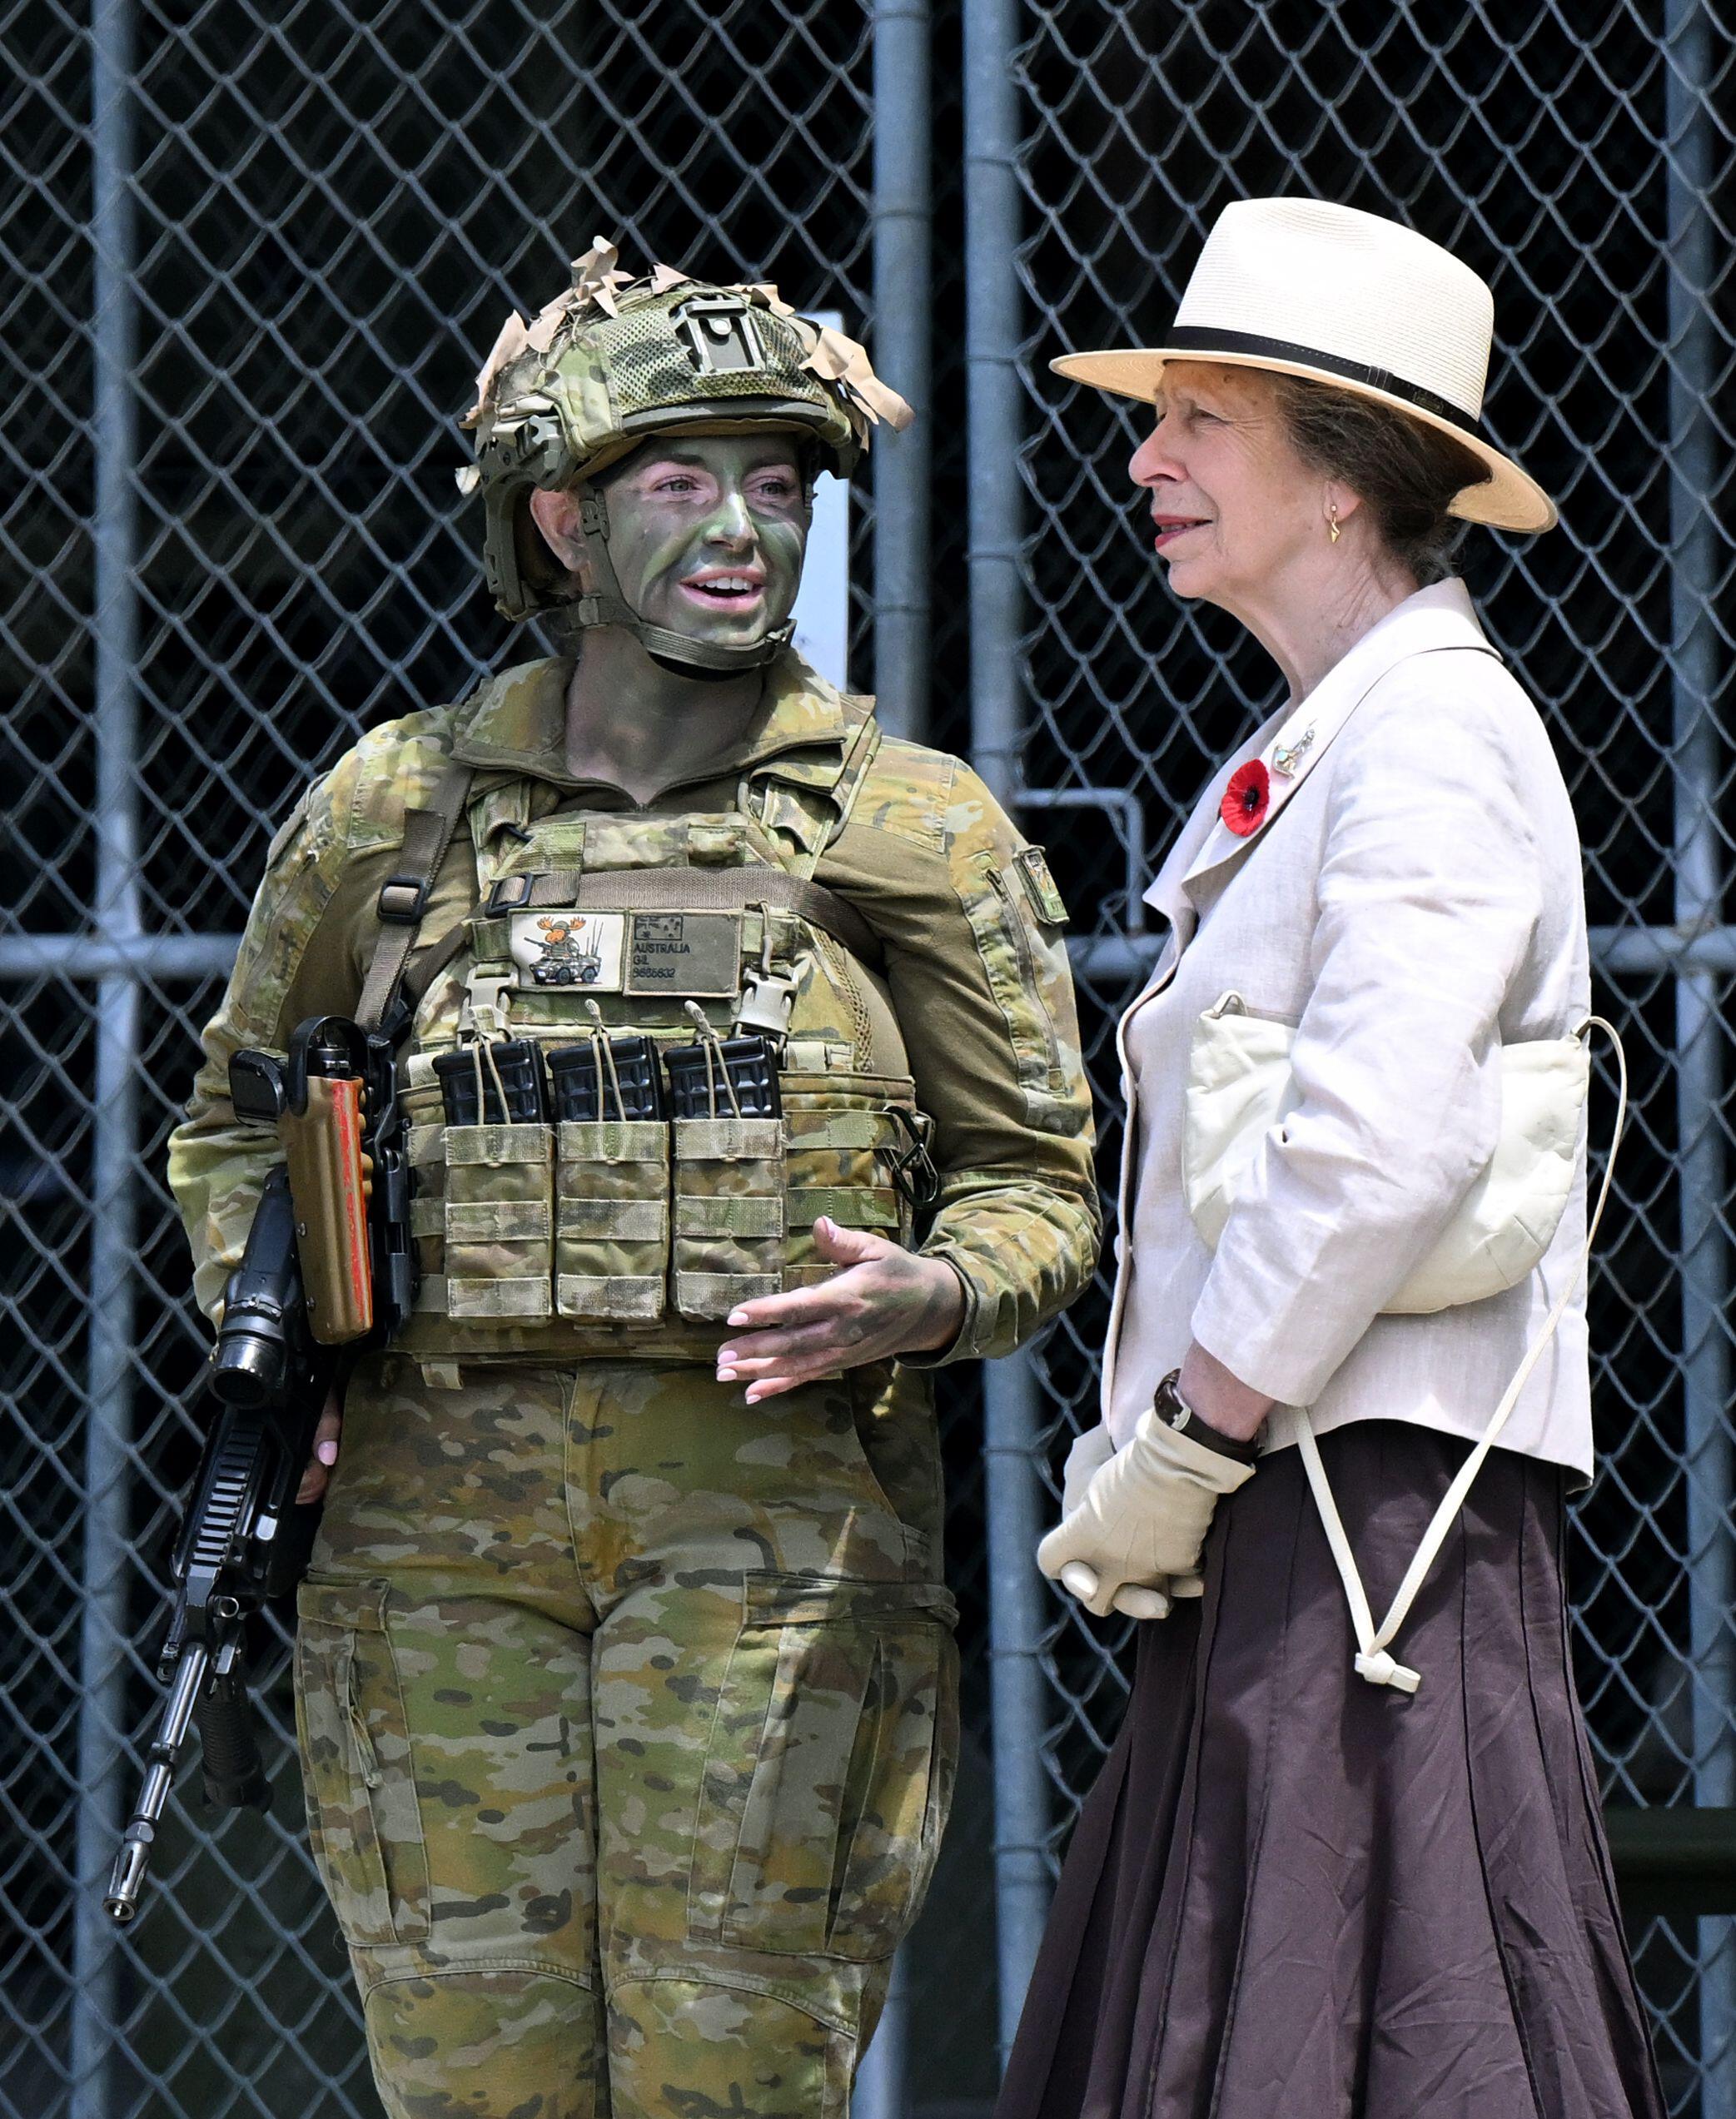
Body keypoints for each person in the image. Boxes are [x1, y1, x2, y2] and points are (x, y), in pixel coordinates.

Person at [168, 243, 1100, 2119]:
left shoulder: (904, 824)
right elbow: (230, 1124)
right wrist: (275, 1335)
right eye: (680, 483)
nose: (742, 529)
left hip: (768, 1563)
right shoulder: (395, 808)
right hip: (433, 1558)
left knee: (732, 2082)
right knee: (472, 2090)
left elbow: (1036, 1185)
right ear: (562, 525)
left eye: (777, 481)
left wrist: (931, 1291)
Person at [1000, 199, 1664, 2118]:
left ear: (1342, 468)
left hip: (1364, 1524)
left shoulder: (1434, 734)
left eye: (1199, 419)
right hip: (1303, 1508)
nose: (1146, 457)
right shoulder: (1340, 731)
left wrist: (1188, 1440)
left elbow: (1377, 1145)